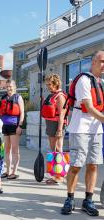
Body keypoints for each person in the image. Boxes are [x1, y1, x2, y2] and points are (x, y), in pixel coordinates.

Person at [61, 51, 104, 216]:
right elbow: (90, 108)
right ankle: (70, 199)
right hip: (80, 129)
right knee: (76, 165)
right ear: (93, 62)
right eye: (101, 61)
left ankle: (88, 200)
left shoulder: (100, 83)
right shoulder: (84, 81)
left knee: (93, 165)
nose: (103, 65)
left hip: (96, 130)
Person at [42, 73, 67, 184]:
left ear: (56, 83)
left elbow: (62, 114)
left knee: (58, 150)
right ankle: (55, 175)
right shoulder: (52, 95)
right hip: (50, 124)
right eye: (47, 84)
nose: (48, 87)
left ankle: (60, 176)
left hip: (57, 125)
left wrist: (60, 130)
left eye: (50, 84)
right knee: (53, 151)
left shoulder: (60, 96)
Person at [0, 79, 24, 180]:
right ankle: (8, 171)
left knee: (15, 149)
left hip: (14, 126)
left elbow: (22, 112)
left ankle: (14, 171)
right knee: (7, 150)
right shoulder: (3, 97)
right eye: (7, 87)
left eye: (10, 86)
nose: (9, 88)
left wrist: (20, 126)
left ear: (14, 87)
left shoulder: (18, 97)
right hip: (5, 126)